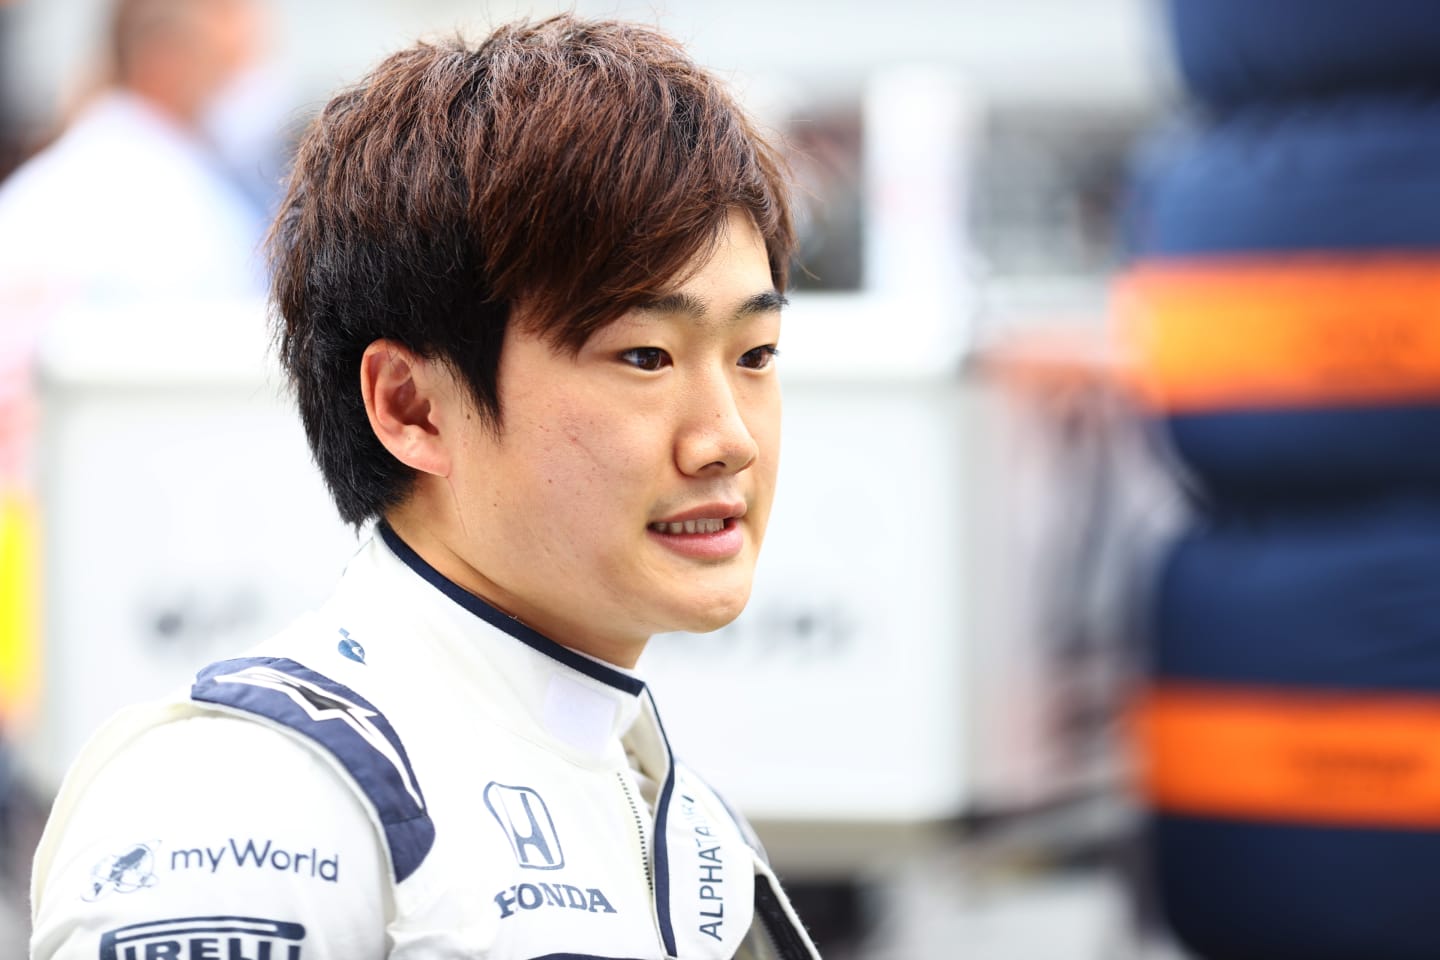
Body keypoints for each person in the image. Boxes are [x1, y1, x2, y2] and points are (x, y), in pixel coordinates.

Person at [28, 14, 821, 960]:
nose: (727, 438)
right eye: (645, 356)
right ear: (411, 406)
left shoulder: (689, 825)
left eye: (757, 354)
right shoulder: (251, 797)